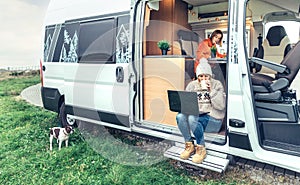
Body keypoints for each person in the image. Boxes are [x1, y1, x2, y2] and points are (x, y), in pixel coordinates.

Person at [176, 58, 226, 164]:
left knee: (192, 118)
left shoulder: (217, 85)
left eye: (206, 76)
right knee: (180, 116)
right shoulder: (192, 85)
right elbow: (187, 104)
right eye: (200, 76)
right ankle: (189, 145)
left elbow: (221, 106)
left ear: (210, 76)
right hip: (196, 117)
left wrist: (210, 91)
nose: (203, 78)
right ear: (197, 76)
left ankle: (201, 148)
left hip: (214, 120)